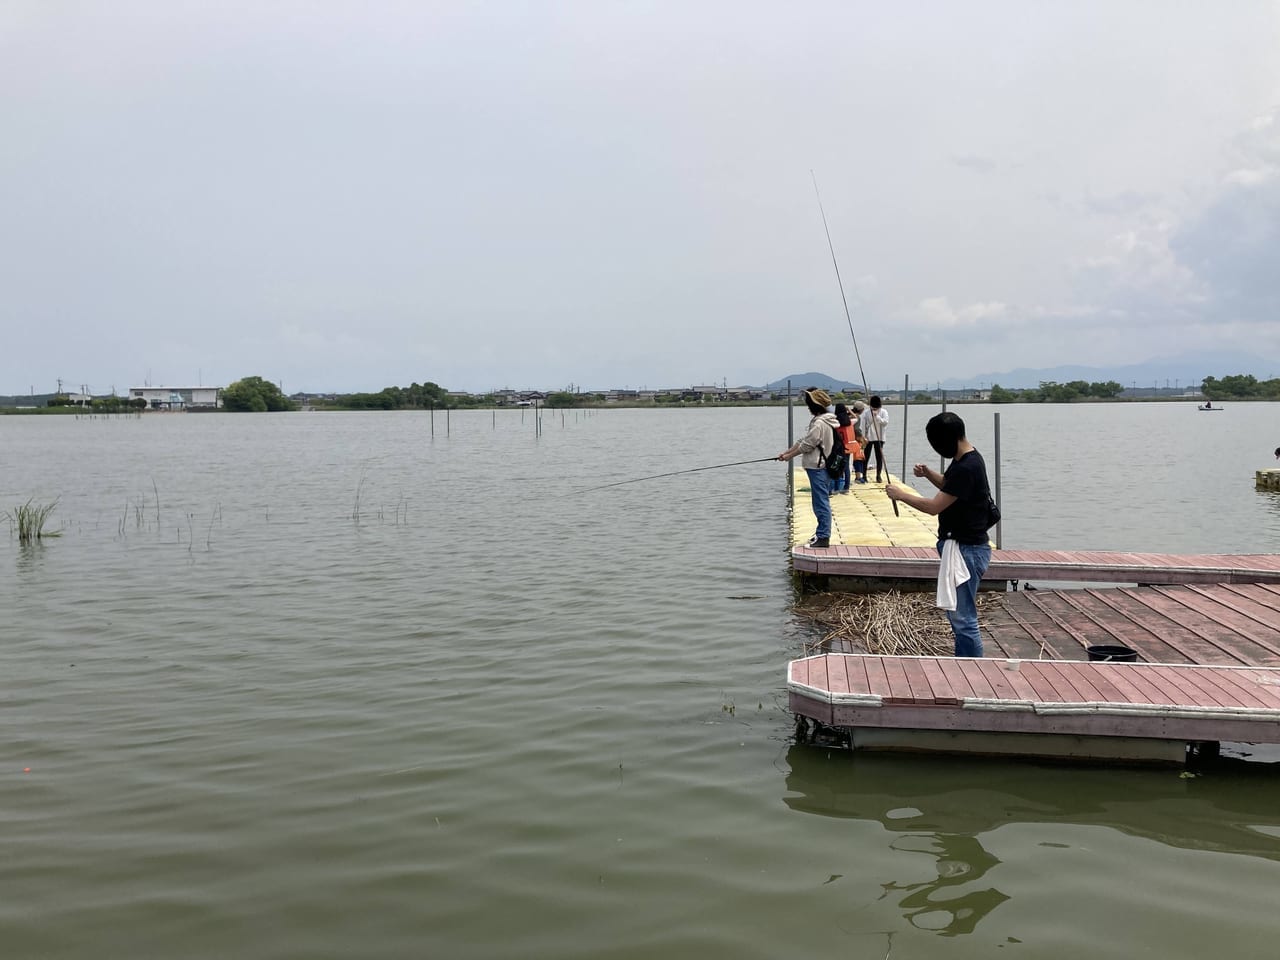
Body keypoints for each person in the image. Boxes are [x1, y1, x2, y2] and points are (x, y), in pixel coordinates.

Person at [885, 412, 994, 657]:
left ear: (949, 439)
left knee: (963, 618)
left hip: (966, 549)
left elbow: (934, 507)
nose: (937, 449)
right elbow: (950, 485)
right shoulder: (967, 457)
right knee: (958, 614)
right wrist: (928, 473)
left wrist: (901, 495)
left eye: (937, 444)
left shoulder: (967, 466)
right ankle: (964, 663)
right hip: (964, 545)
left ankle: (971, 670)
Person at [777, 387, 840, 547]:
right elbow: (803, 440)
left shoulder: (820, 423)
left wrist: (789, 456)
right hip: (818, 467)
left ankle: (824, 537)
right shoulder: (822, 420)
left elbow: (807, 445)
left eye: (808, 403)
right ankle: (821, 533)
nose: (807, 407)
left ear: (815, 405)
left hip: (819, 468)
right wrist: (786, 452)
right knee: (819, 501)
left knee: (821, 503)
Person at [859, 395, 889, 483]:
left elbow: (885, 422)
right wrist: (863, 436)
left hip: (879, 437)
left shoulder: (883, 412)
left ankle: (878, 475)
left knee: (879, 457)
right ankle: (864, 475)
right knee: (866, 456)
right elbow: (863, 425)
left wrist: (877, 417)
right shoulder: (867, 412)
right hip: (868, 437)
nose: (874, 408)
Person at [832, 403, 856, 494]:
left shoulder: (835, 422)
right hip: (848, 447)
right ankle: (846, 488)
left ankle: (836, 488)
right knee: (846, 468)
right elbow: (856, 417)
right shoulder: (850, 422)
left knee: (837, 467)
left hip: (838, 448)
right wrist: (849, 410)